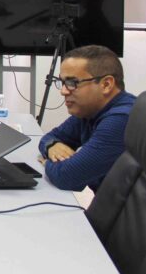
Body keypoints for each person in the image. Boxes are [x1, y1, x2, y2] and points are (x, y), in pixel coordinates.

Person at [38, 45, 136, 192]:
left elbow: (67, 177)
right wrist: (52, 146)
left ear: (106, 84)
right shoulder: (90, 111)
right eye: (63, 82)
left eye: (72, 83)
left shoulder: (121, 120)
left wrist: (47, 163)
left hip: (129, 213)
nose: (63, 91)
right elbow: (51, 137)